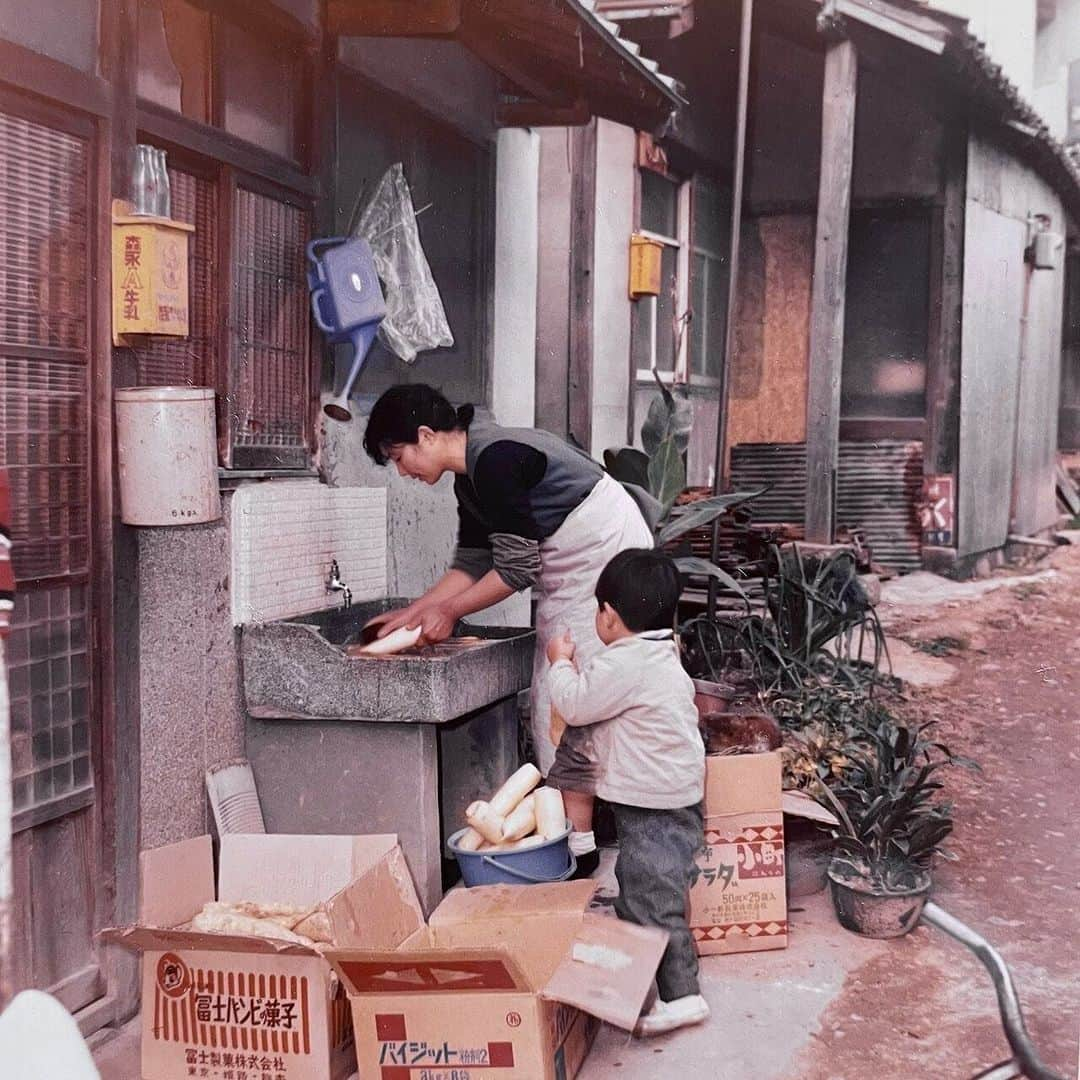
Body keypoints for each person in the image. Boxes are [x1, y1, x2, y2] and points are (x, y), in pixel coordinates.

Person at [361, 384, 659, 876]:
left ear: (425, 436)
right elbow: (476, 562)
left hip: (602, 556)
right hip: (573, 565)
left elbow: (516, 569)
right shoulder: (471, 475)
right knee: (558, 697)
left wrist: (450, 612)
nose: (402, 471)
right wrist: (415, 613)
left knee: (569, 697)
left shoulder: (494, 460)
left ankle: (583, 844)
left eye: (399, 456)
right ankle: (579, 832)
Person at [546, 548, 708, 1037]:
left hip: (656, 803)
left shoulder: (627, 663)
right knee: (647, 890)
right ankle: (648, 983)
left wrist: (560, 663)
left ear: (609, 617)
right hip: (669, 797)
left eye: (598, 610)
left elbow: (574, 704)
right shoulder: (659, 649)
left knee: (651, 899)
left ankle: (684, 997)